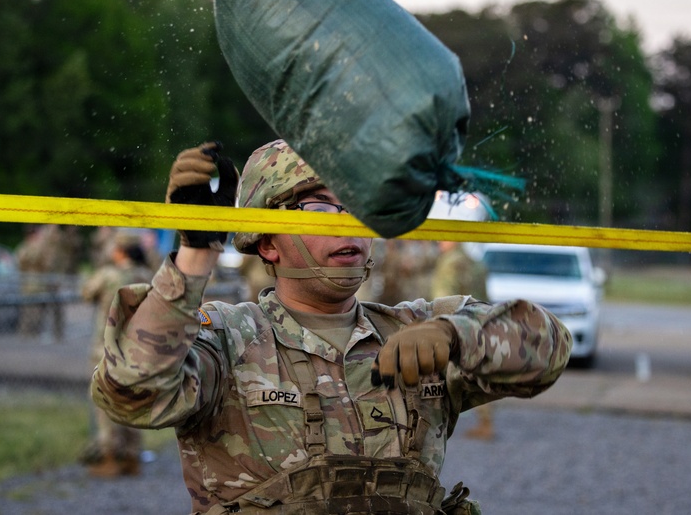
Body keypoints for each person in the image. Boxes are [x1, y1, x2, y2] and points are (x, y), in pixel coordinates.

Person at [92, 140, 572, 515]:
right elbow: (132, 390)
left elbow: (547, 347)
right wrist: (195, 255)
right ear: (267, 242)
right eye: (320, 209)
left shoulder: (414, 328)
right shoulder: (227, 338)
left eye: (359, 208)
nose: (348, 226)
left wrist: (457, 335)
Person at [79, 230, 154, 477]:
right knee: (133, 400)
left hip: (106, 348)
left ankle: (109, 456)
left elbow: (86, 292)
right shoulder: (147, 276)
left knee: (106, 400)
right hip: (138, 349)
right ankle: (132, 456)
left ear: (120, 250)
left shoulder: (109, 274)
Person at [431, 240, 494, 441]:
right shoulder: (475, 262)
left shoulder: (450, 262)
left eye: (443, 238)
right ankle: (485, 422)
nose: (439, 242)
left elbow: (443, 299)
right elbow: (485, 296)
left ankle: (438, 422)